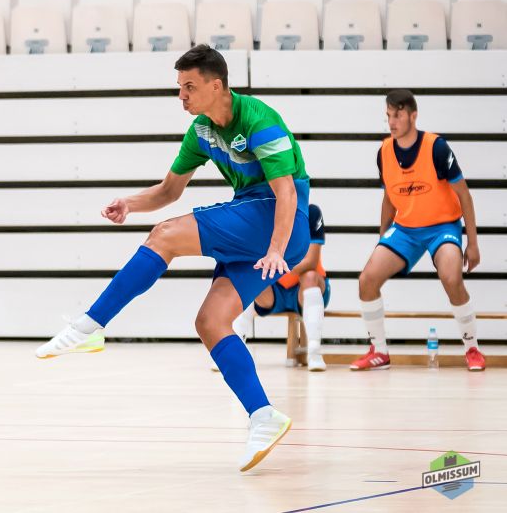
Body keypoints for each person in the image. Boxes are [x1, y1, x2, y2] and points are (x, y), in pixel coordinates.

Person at [36, 44, 311, 473]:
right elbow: (169, 191)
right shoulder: (201, 131)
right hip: (259, 224)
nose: (181, 96)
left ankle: (89, 325)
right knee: (210, 323)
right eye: (179, 87)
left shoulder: (260, 120)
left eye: (189, 87)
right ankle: (263, 415)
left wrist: (276, 248)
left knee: (165, 235)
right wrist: (129, 203)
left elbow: (287, 193)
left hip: (279, 220)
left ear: (216, 86)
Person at [351, 89, 485, 372]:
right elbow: (389, 197)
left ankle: (472, 348)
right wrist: (383, 238)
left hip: (442, 226)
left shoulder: (437, 148)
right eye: (388, 115)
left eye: (398, 115)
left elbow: (464, 195)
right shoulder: (384, 152)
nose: (392, 122)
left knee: (451, 277)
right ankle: (380, 352)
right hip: (405, 229)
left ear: (413, 116)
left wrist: (472, 243)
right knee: (367, 280)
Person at [231, 204, 330, 371]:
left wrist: (276, 266)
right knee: (249, 277)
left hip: (305, 288)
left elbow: (311, 261)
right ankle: (234, 351)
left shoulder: (311, 212)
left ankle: (314, 352)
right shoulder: (263, 214)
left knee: (310, 276)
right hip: (274, 291)